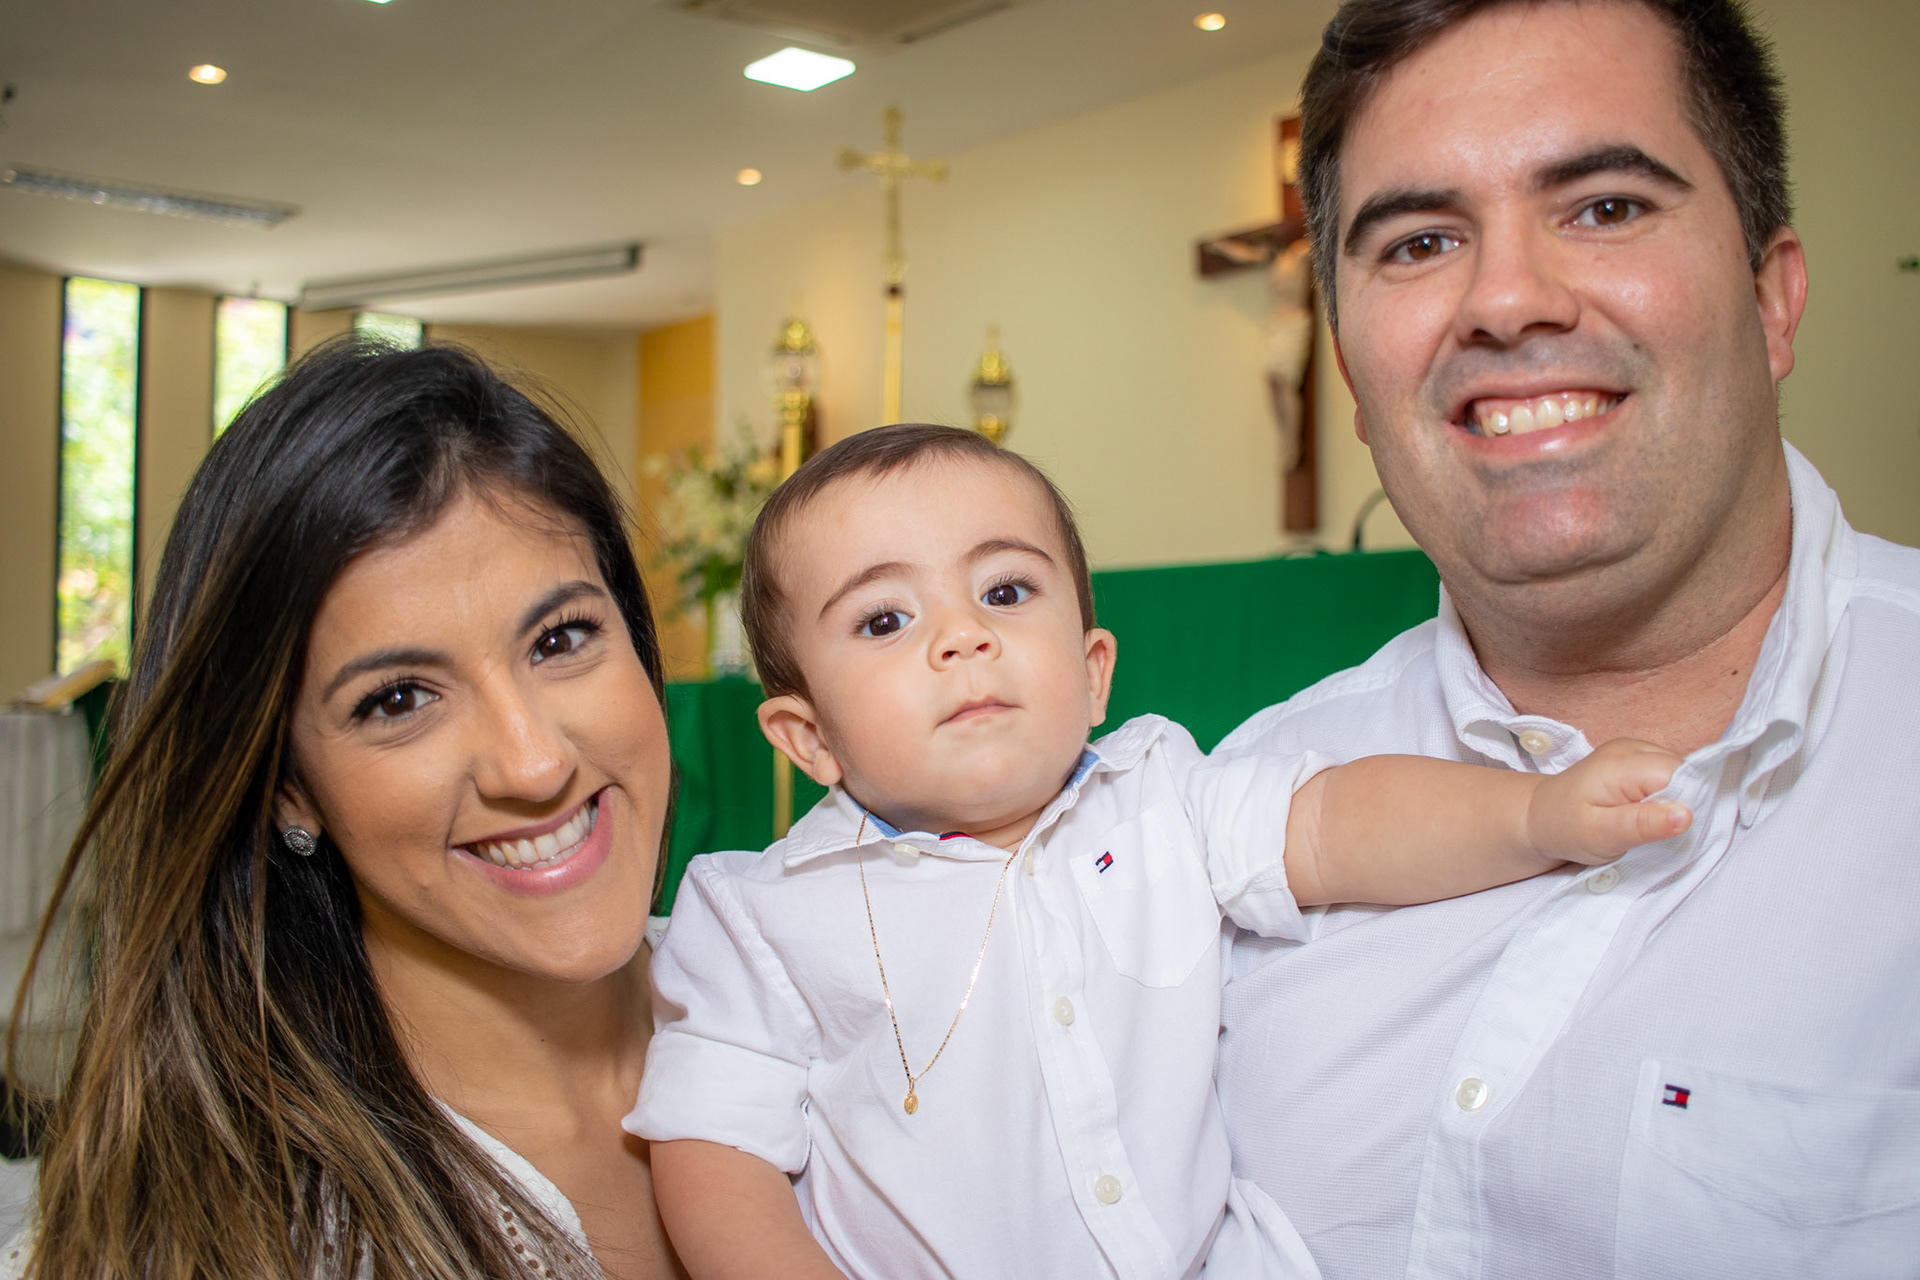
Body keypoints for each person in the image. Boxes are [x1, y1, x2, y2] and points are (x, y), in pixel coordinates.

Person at [626, 424, 1692, 1279]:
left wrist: (1534, 814)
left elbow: (1335, 820)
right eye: (884, 619)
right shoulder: (761, 914)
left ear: (1093, 671)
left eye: (1004, 591)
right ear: (808, 736)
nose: (963, 635)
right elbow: (715, 1149)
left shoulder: (1160, 798)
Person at [1213, 0, 1920, 1275]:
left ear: (1772, 299)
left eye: (1604, 207)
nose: (1504, 299)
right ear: (1354, 378)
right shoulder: (1241, 811)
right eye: (1422, 240)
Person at [3, 340, 685, 1279]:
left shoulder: (835, 1000)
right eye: (398, 699)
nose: (533, 763)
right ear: (288, 785)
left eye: (561, 638)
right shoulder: (249, 1239)